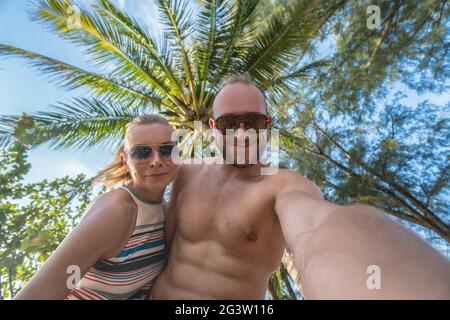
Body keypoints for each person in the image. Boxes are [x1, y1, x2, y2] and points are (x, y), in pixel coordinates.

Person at [151, 74, 450, 299]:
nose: (242, 134)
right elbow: (160, 239)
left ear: (267, 125)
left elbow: (318, 228)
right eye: (230, 123)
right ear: (214, 127)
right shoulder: (186, 173)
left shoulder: (281, 186)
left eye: (252, 122)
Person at [14, 114, 177, 300]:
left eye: (166, 149)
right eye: (141, 152)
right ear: (125, 160)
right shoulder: (115, 211)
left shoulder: (164, 210)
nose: (156, 160)